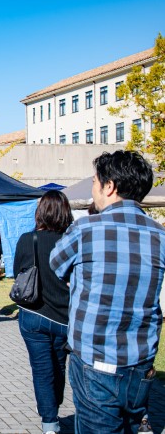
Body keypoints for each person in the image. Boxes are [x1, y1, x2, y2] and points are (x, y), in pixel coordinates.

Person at [50, 151, 164, 434]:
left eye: (94, 183)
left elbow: (57, 265)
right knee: (130, 426)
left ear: (109, 186)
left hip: (95, 358)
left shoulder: (85, 229)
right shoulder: (160, 235)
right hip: (141, 362)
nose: (93, 190)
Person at [13, 191, 73, 434]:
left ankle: (50, 421)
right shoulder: (70, 241)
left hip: (33, 313)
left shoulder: (28, 239)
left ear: (40, 213)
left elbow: (18, 270)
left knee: (41, 368)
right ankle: (53, 407)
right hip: (64, 315)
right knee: (59, 365)